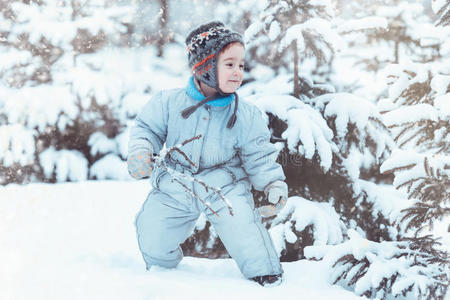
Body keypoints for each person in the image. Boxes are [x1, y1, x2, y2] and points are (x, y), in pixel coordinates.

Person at [127, 21, 288, 287]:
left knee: (245, 229)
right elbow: (147, 129)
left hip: (225, 185)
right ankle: (163, 275)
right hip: (176, 182)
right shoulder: (169, 103)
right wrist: (141, 151)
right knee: (151, 230)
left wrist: (273, 183)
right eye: (229, 64)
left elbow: (259, 155)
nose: (238, 72)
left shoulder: (246, 115)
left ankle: (267, 277)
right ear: (205, 67)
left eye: (240, 65)